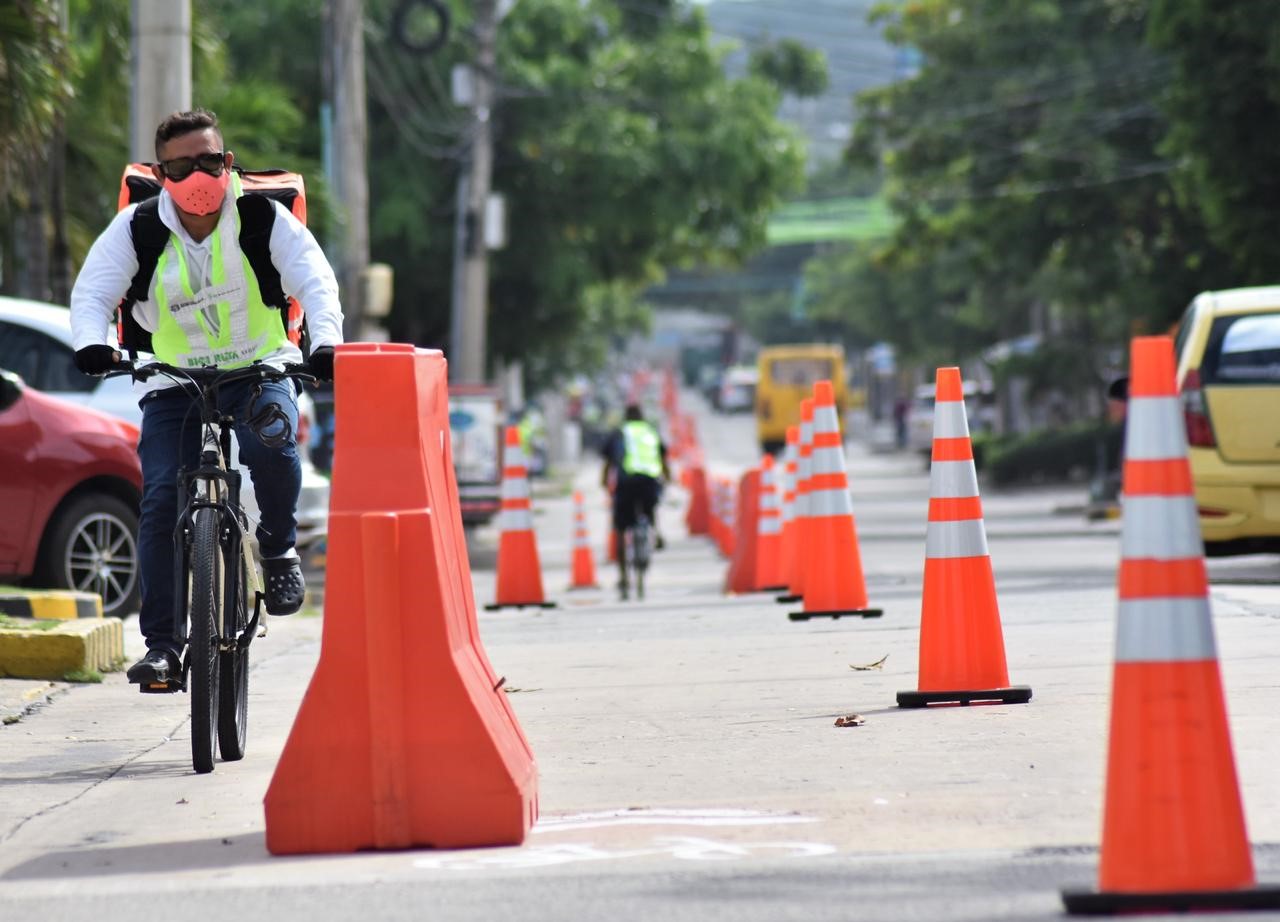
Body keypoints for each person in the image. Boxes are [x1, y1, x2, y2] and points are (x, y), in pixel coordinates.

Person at [69, 109, 344, 687]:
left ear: (228, 163)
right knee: (163, 496)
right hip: (174, 380)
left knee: (272, 442)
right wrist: (92, 343)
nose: (198, 175)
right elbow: (94, 291)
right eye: (182, 164)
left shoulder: (263, 220)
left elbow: (315, 282)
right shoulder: (137, 228)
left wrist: (325, 344)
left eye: (209, 161)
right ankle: (164, 646)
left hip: (258, 368)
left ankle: (277, 548)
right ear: (162, 171)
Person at [601, 403, 671, 599]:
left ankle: (624, 577)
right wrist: (668, 480)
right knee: (650, 509)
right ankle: (656, 533)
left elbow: (608, 463)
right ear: (641, 417)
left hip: (626, 484)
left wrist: (604, 484)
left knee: (621, 529)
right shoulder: (650, 432)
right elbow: (663, 459)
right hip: (649, 481)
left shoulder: (619, 433)